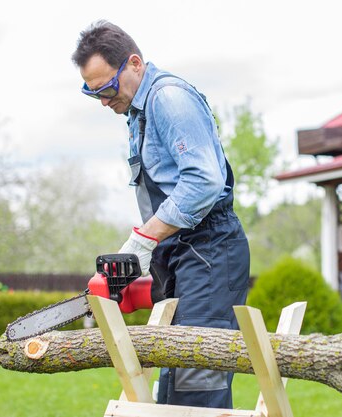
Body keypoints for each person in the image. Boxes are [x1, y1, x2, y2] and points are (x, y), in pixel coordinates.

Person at [71, 20, 250, 409]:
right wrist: (145, 281)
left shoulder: (169, 98)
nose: (103, 100)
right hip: (182, 255)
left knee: (197, 386)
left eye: (106, 88)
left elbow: (204, 182)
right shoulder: (137, 114)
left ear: (134, 63)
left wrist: (143, 240)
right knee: (171, 381)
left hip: (211, 250)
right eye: (92, 92)